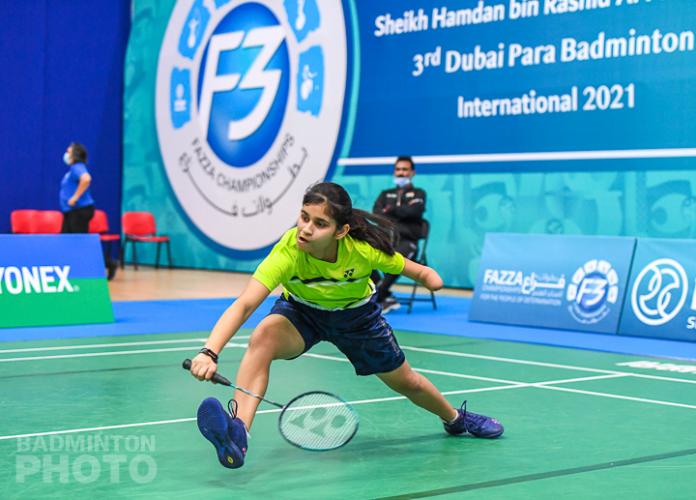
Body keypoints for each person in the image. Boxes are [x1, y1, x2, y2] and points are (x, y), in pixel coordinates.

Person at [187, 182, 503, 470]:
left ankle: (455, 419)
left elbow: (415, 270)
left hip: (357, 318)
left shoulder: (361, 250)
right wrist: (209, 351)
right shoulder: (288, 251)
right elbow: (244, 304)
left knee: (407, 382)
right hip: (302, 313)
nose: (306, 229)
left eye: (320, 223)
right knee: (263, 337)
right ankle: (239, 431)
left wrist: (431, 279)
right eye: (304, 217)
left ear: (341, 231)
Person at [372, 156, 426, 313]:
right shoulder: (385, 194)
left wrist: (390, 210)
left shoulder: (419, 193)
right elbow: (377, 215)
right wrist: (402, 211)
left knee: (397, 260)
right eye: (398, 169)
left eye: (405, 169)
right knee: (363, 253)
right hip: (386, 240)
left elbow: (414, 211)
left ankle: (376, 298)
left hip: (408, 241)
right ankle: (386, 296)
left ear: (412, 173)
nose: (401, 173)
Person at [59, 142, 117, 280]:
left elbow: (86, 179)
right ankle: (69, 270)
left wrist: (75, 197)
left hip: (79, 211)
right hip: (71, 212)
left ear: (75, 154)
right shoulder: (72, 170)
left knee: (80, 243)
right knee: (66, 241)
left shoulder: (77, 167)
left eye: (69, 151)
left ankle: (109, 263)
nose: (66, 154)